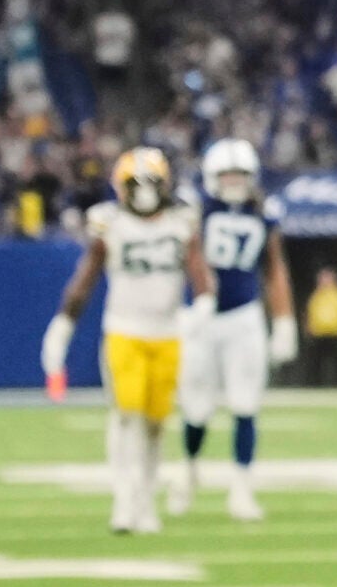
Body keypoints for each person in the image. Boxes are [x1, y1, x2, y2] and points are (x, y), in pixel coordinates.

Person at [41, 149, 215, 533]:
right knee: (125, 415)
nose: (142, 191)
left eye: (149, 182)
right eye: (134, 184)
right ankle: (124, 499)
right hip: (124, 330)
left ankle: (146, 501)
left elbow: (199, 270)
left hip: (168, 332)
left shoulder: (181, 222)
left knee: (154, 423)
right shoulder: (110, 224)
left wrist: (204, 304)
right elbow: (85, 278)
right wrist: (63, 326)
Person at [172, 138, 297, 521]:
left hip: (244, 316)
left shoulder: (264, 212)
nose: (233, 182)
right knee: (196, 409)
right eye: (226, 175)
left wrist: (284, 321)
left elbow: (274, 267)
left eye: (240, 175)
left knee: (246, 405)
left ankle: (241, 488)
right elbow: (185, 256)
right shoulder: (196, 208)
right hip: (203, 317)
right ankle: (190, 469)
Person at [302, 267, 337, 388]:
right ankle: (314, 385)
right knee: (316, 363)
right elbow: (309, 312)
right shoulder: (316, 295)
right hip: (319, 333)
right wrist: (307, 327)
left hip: (335, 333)